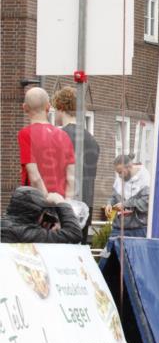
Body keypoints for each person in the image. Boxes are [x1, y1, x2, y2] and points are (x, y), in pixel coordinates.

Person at [52, 85, 100, 240]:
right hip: (85, 208)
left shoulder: (58, 136)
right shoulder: (92, 141)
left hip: (63, 207)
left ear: (61, 107)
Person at [17, 87, 75, 198]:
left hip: (37, 205)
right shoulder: (63, 135)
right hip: (62, 206)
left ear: (24, 108)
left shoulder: (26, 134)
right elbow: (71, 178)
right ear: (48, 106)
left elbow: (34, 177)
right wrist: (65, 205)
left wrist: (47, 201)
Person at [0, 188, 83, 244]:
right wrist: (60, 201)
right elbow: (74, 234)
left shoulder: (4, 226)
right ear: (36, 214)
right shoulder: (26, 233)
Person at [105, 154, 150, 239]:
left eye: (121, 172)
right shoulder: (119, 179)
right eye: (118, 173)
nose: (119, 176)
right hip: (118, 228)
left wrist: (125, 204)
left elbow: (146, 203)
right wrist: (109, 204)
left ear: (129, 167)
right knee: (110, 252)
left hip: (138, 229)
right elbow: (114, 197)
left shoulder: (145, 178)